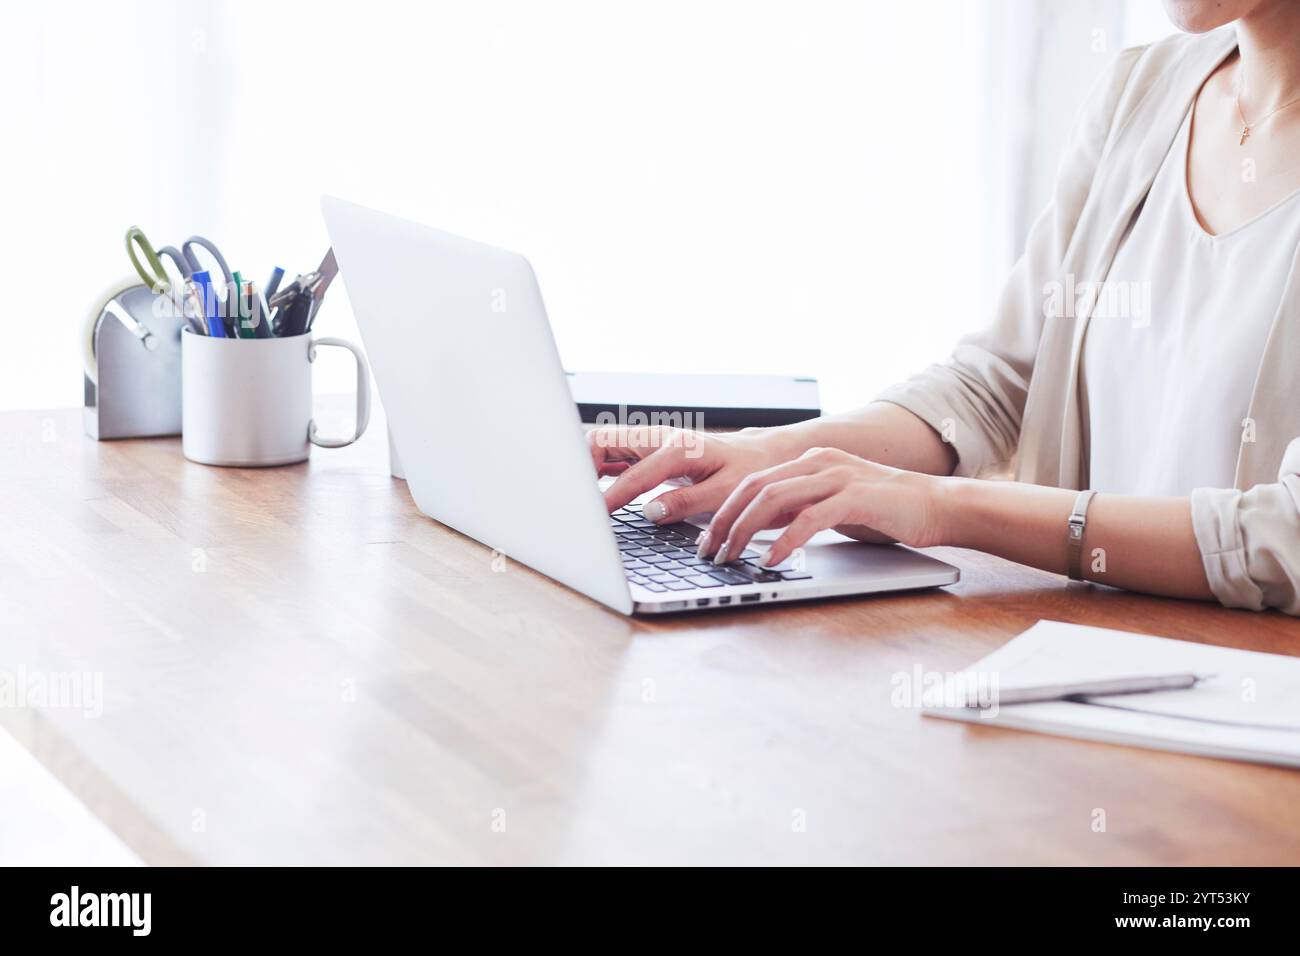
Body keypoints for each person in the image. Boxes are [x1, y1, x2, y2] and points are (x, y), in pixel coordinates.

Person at [588, 0, 1300, 615]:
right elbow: (994, 386)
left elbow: (1285, 535)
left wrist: (939, 507)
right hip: (1082, 669)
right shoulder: (1142, 93)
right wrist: (770, 456)